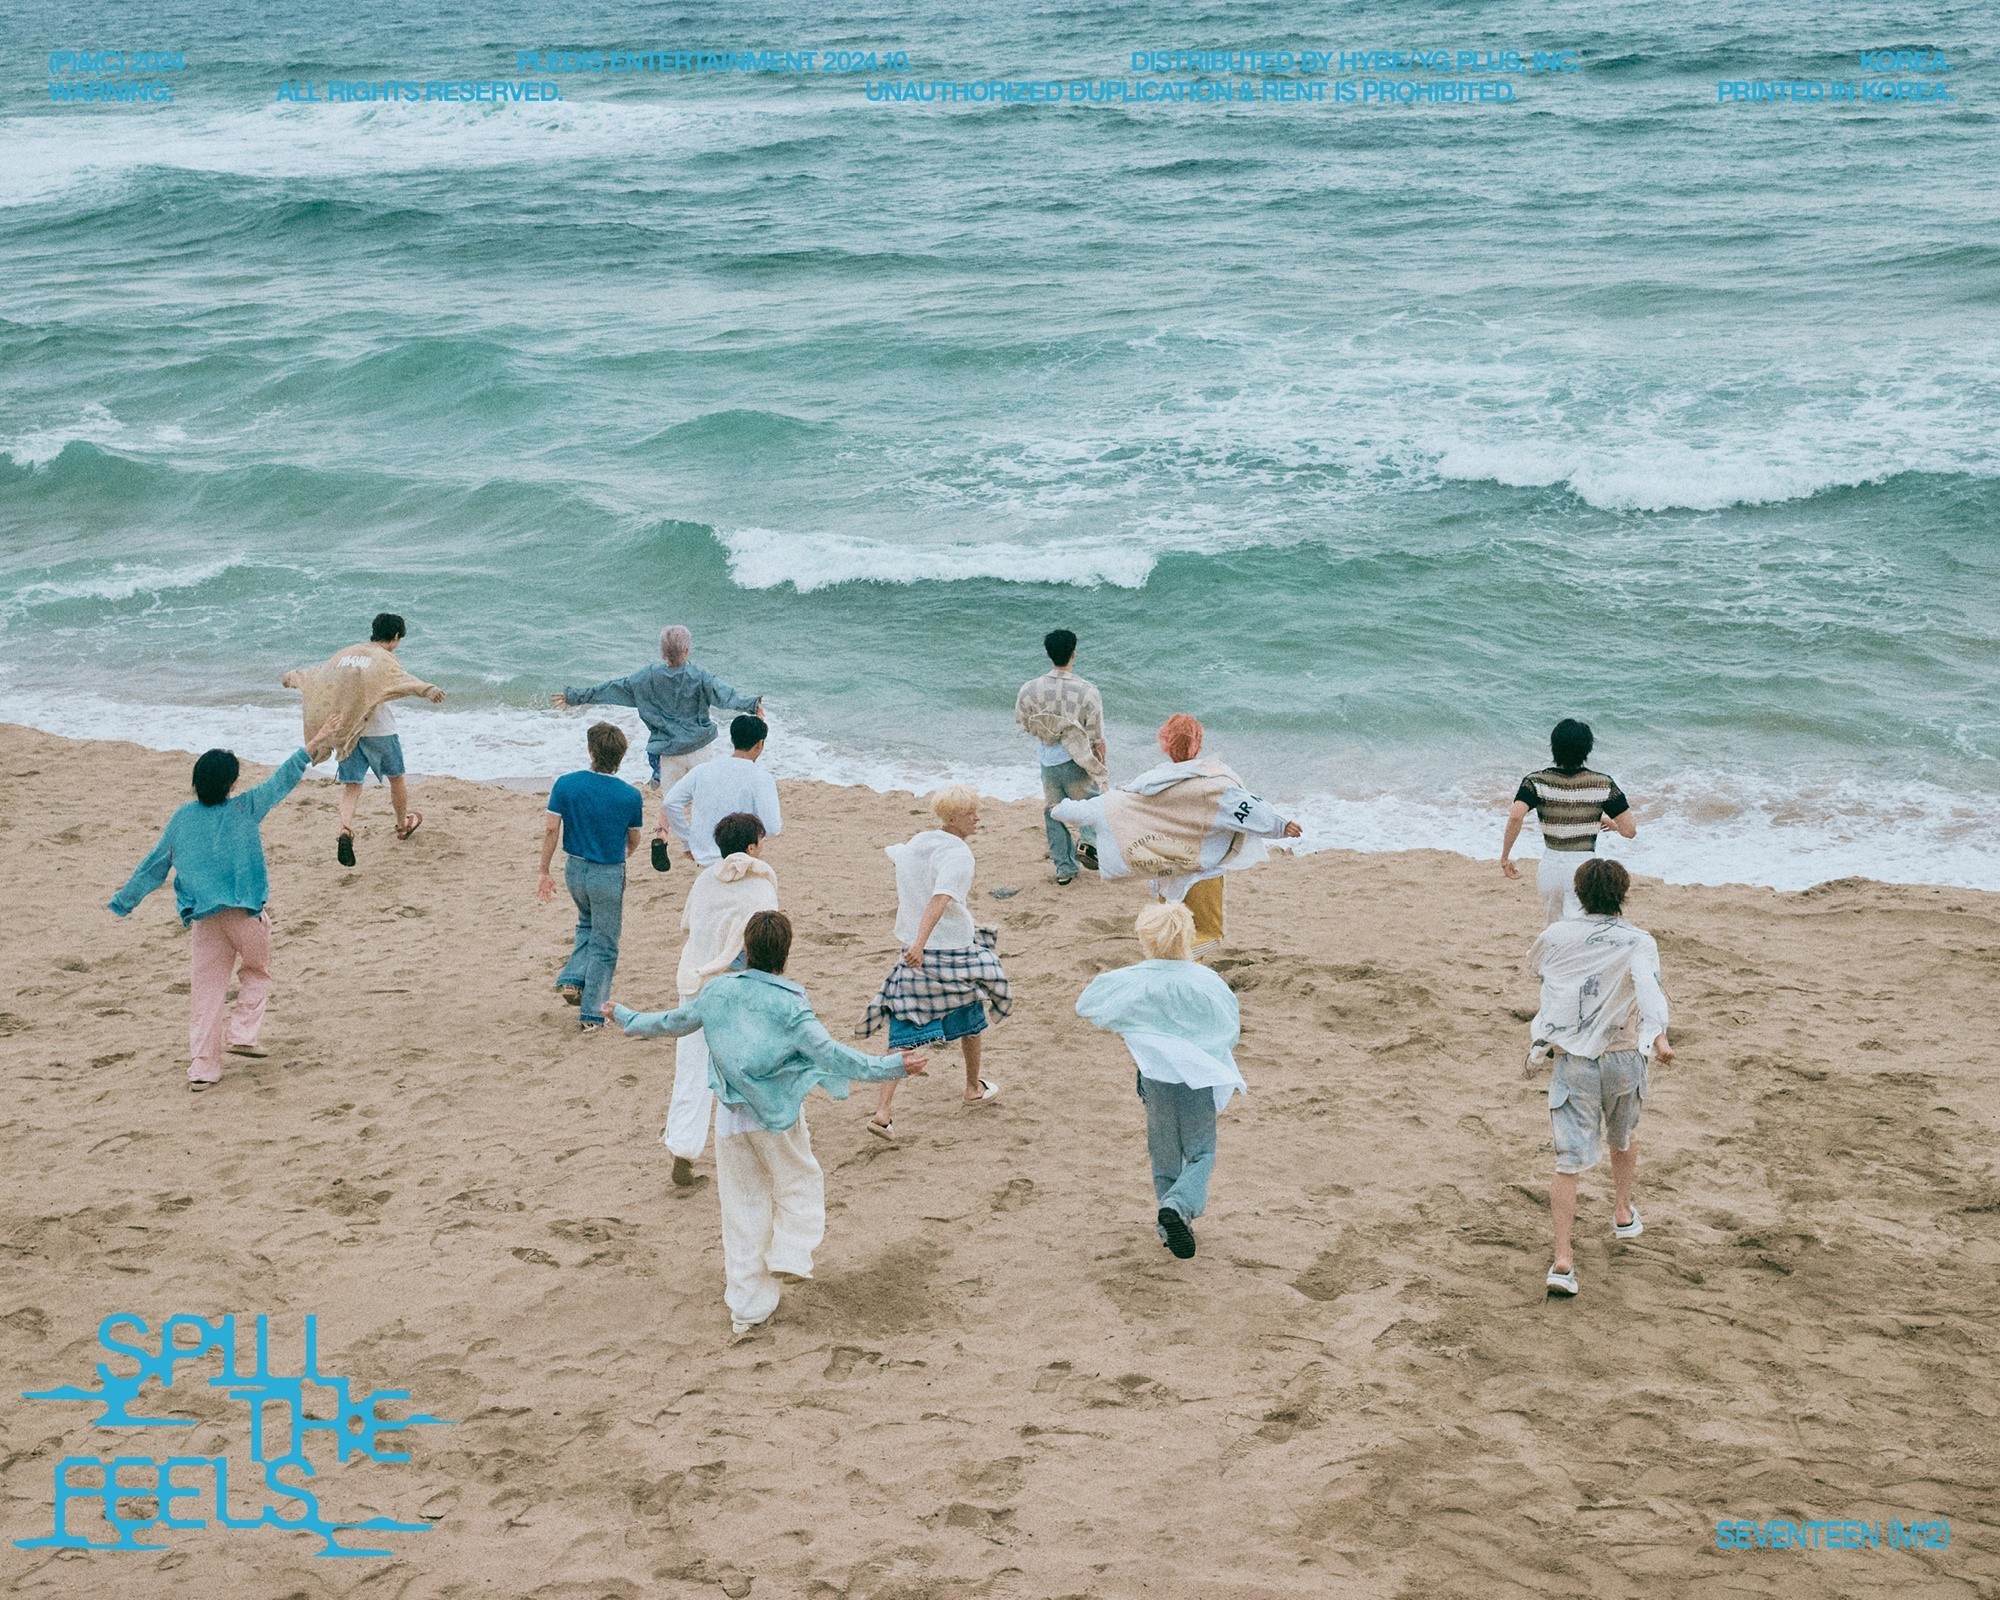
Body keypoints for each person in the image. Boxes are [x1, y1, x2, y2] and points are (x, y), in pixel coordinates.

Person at [604, 911, 925, 1335]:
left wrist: (626, 1016)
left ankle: (748, 1310)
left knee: (741, 1211)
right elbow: (833, 1056)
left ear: (745, 950)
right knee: (800, 1184)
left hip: (730, 1120)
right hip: (776, 1116)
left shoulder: (717, 991)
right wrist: (892, 1066)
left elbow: (671, 1023)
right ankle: (789, 1256)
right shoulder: (790, 1005)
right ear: (785, 954)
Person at [108, 716, 342, 1089]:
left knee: (206, 992)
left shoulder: (183, 818)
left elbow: (154, 865)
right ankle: (243, 1034)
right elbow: (282, 780)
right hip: (246, 914)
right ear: (232, 784)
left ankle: (203, 1069)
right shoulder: (244, 808)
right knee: (257, 972)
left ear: (197, 783)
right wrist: (316, 742)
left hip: (206, 919)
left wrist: (124, 901)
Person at [1526, 858, 1673, 1299]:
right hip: (1623, 1055)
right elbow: (1649, 991)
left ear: (1579, 893)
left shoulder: (1556, 935)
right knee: (1623, 1136)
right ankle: (1622, 1212)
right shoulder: (1639, 940)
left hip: (1573, 1059)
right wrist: (1659, 1038)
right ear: (1622, 895)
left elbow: (1544, 975)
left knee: (1568, 1163)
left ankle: (1563, 1261)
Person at [1076, 902, 1245, 1260]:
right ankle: (1177, 1207)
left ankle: (1169, 1223)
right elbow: (1229, 1028)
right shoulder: (1205, 980)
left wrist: (1134, 1027)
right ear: (1188, 936)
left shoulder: (1132, 978)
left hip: (1154, 1077)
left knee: (1164, 1154)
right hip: (1197, 1078)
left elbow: (1088, 1004)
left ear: (1145, 938)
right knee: (1201, 1152)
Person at [1052, 714, 1302, 952]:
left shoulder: (1149, 783)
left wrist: (1059, 809)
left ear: (1165, 745)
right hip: (1202, 874)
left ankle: (1171, 962)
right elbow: (1248, 809)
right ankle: (1178, 963)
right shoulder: (1214, 784)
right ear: (1199, 743)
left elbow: (1107, 807)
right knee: (1209, 934)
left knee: (1174, 932)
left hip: (1164, 872)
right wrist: (1281, 825)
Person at [860, 786, 1009, 1136]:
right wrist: (920, 943)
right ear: (953, 818)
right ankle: (972, 1088)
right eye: (971, 813)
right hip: (949, 951)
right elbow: (940, 899)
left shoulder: (920, 842)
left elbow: (897, 853)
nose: (977, 818)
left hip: (917, 952)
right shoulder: (959, 855)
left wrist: (915, 943)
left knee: (903, 1028)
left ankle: (883, 1112)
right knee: (972, 1015)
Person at [662, 811, 780, 1189]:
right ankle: (759, 1148)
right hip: (732, 986)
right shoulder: (760, 886)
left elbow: (687, 924)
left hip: (694, 979)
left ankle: (682, 1150)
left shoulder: (704, 879)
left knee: (691, 1069)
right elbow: (763, 940)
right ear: (751, 848)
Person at [281, 613, 446, 867]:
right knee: (396, 778)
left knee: (352, 786)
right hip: (380, 731)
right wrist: (429, 690)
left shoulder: (344, 655)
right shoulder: (383, 658)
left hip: (347, 731)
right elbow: (402, 681)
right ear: (395, 637)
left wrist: (294, 678)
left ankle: (346, 829)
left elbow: (320, 677)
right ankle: (402, 825)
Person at [553, 625, 761, 789]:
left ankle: (657, 777)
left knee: (671, 804)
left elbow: (612, 689)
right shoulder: (701, 677)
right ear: (687, 650)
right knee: (703, 797)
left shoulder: (646, 678)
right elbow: (727, 696)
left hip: (667, 752)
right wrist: (752, 705)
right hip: (699, 747)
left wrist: (575, 697)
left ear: (662, 653)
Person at [538, 722, 644, 1029]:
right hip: (607, 871)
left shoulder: (566, 784)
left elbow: (551, 828)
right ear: (621, 756)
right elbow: (634, 837)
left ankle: (573, 977)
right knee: (606, 945)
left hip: (575, 867)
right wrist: (626, 853)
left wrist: (544, 870)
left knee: (587, 922)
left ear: (591, 751)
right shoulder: (629, 795)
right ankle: (592, 1015)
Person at [1501, 718, 1636, 924]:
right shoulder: (1603, 783)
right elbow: (1630, 831)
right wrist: (1612, 823)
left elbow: (1515, 816)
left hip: (1551, 866)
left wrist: (1505, 857)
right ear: (1587, 749)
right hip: (1585, 868)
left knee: (1554, 927)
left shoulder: (1535, 781)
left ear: (1554, 747)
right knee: (1583, 925)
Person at [1014, 628, 1107, 886]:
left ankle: (1064, 869)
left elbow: (1024, 721)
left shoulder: (1030, 689)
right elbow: (1096, 737)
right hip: (1077, 760)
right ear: (1073, 654)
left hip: (1048, 760)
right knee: (1092, 804)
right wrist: (1100, 766)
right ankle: (1087, 843)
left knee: (1054, 811)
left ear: (1049, 654)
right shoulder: (1087, 691)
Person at [660, 714, 782, 867]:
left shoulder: (702, 770)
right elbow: (772, 828)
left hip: (704, 860)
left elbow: (670, 803)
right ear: (759, 744)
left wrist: (688, 840)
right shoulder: (762, 778)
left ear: (732, 739)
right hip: (741, 861)